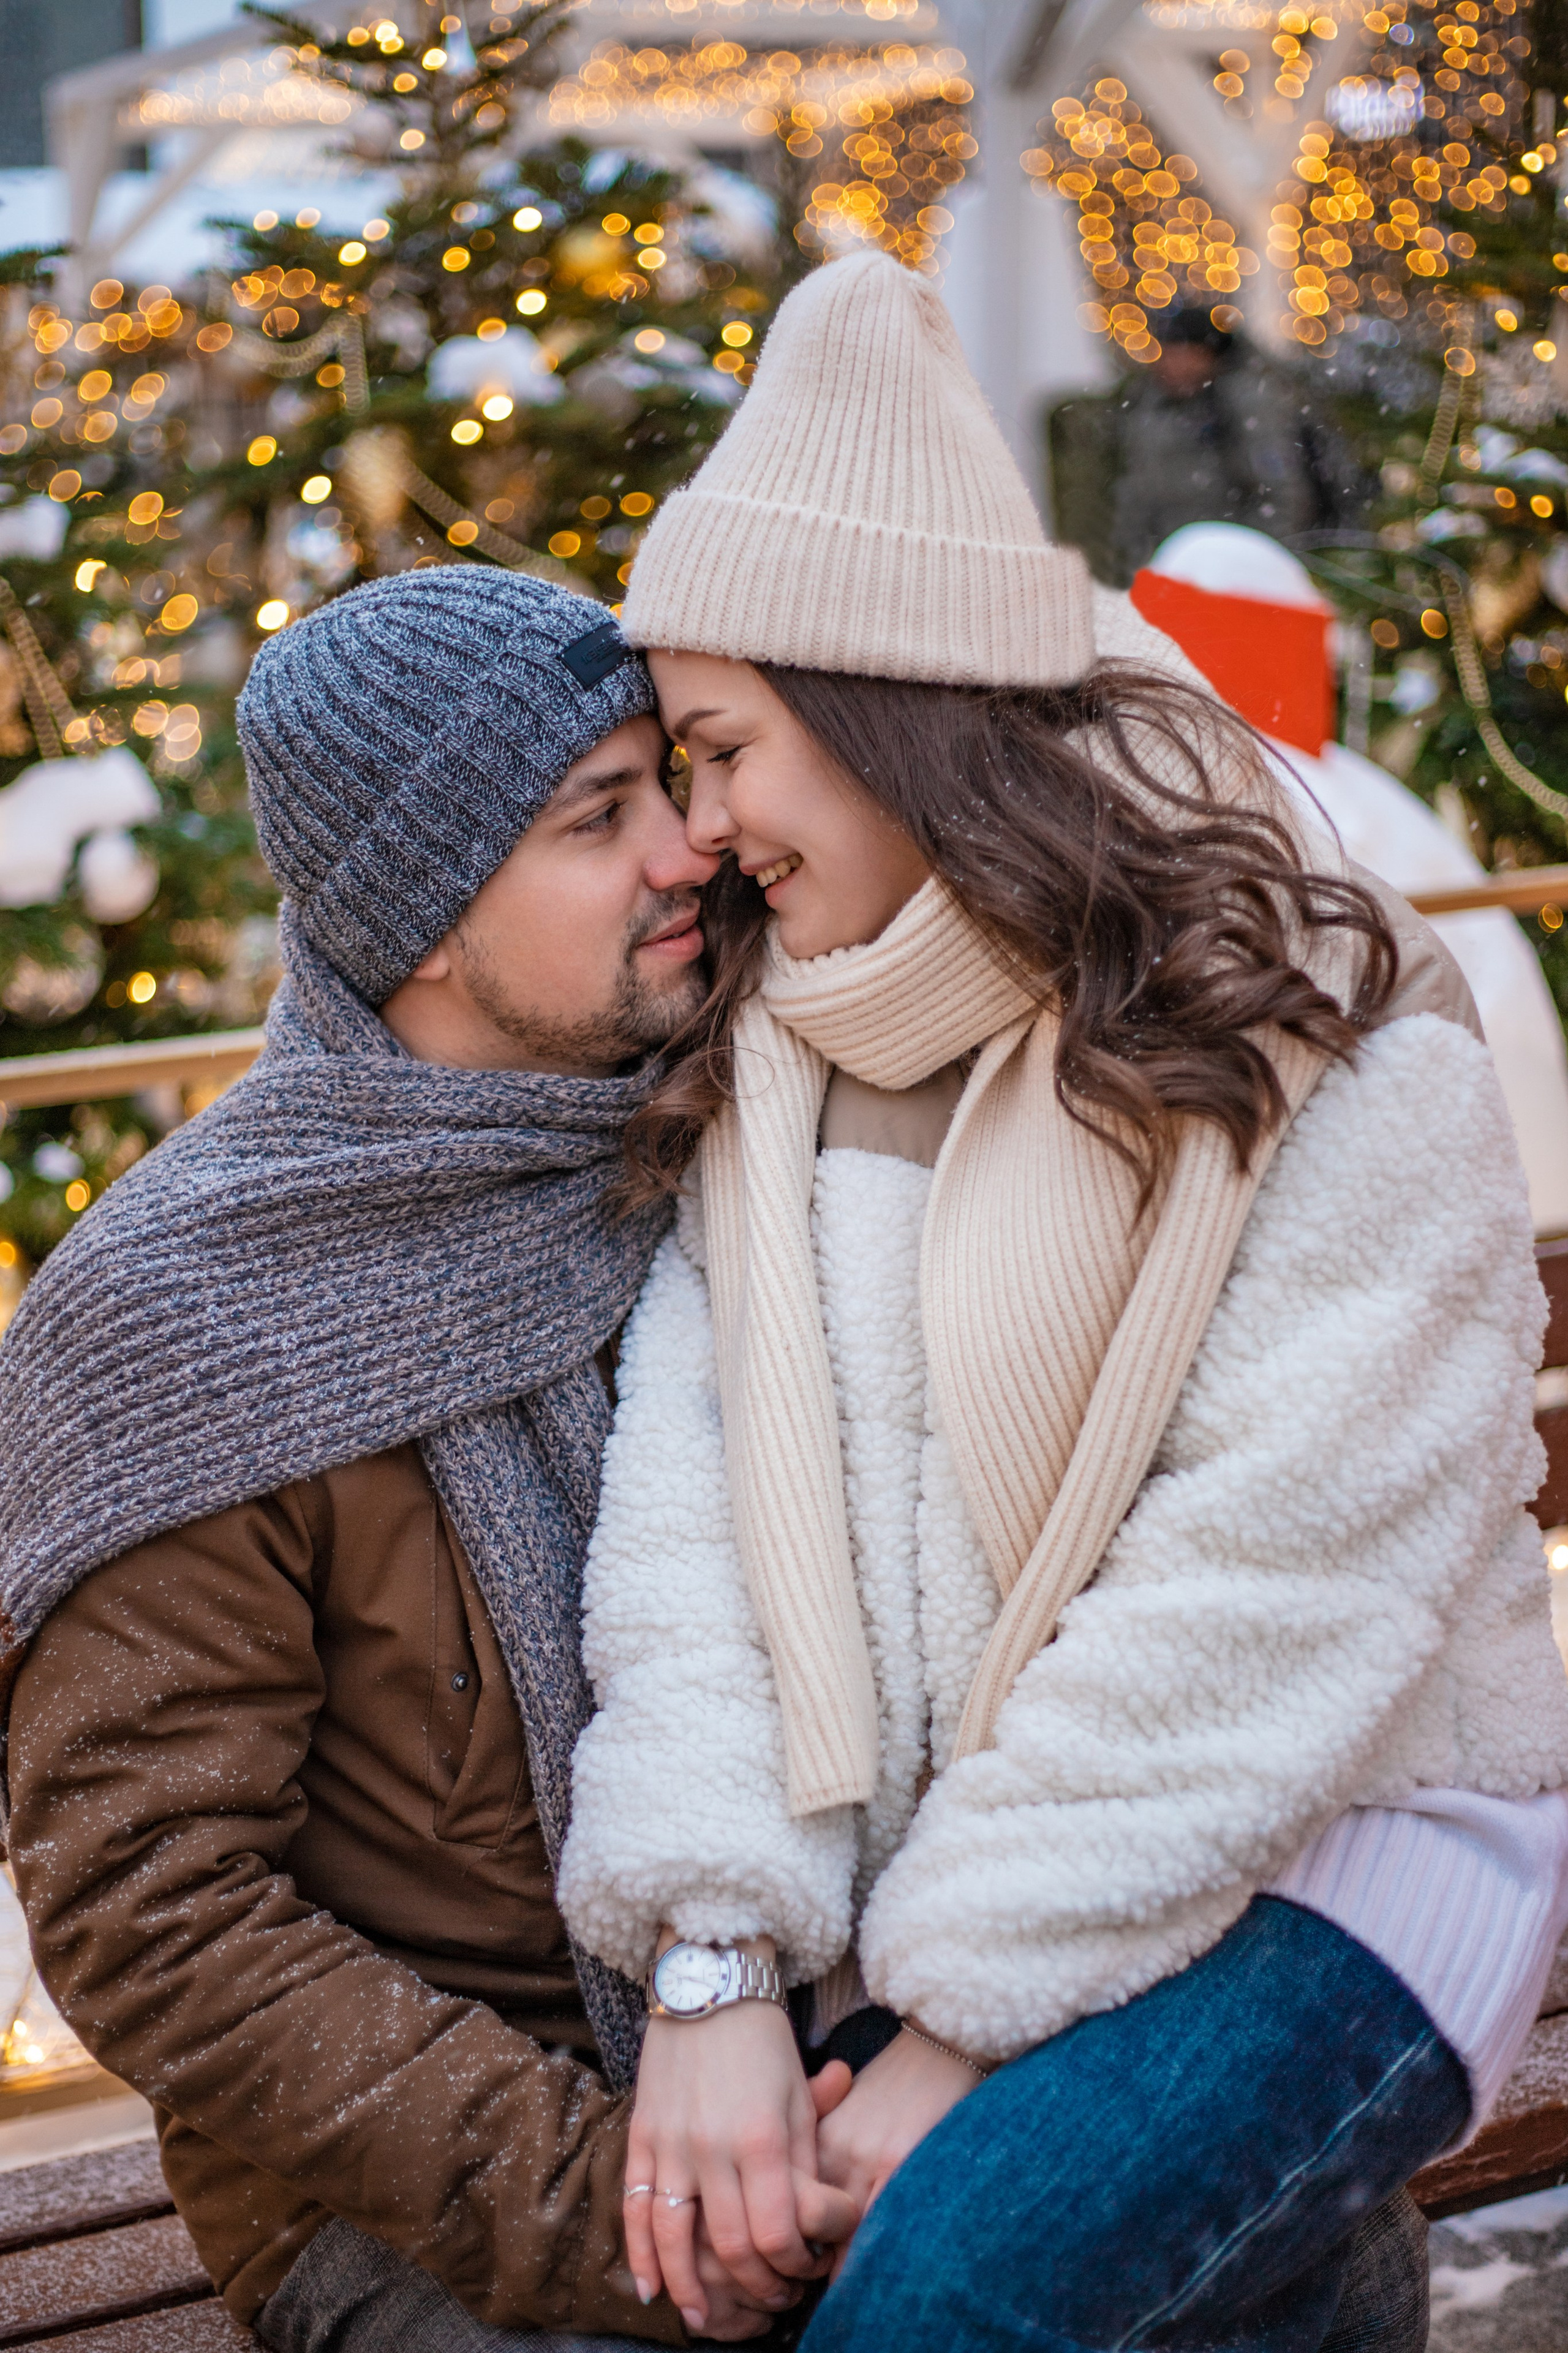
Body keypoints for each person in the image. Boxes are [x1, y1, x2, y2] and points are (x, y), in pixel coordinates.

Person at [556, 251, 1568, 2352]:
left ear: (881, 705)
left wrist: (953, 2026)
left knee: (950, 2298)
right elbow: (699, 1546)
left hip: (1335, 1857)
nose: (709, 830)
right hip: (1004, 1885)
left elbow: (1266, 1595)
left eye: (725, 748)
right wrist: (718, 1965)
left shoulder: (1316, 1030)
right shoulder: (780, 1061)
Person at [0, 567, 834, 2349]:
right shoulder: (191, 1311)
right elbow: (157, 1911)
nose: (686, 846)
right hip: (425, 2187)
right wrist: (594, 2194)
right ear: (426, 916)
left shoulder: (730, 1139)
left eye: (667, 784)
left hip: (807, 2037)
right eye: (595, 817)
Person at [1049, 306, 1369, 583]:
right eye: (1168, 352)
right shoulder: (1146, 404)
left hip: (1229, 573)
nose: (1173, 364)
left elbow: (1284, 497)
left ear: (1210, 355)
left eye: (1186, 353)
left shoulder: (1248, 405)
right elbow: (1136, 491)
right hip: (1172, 568)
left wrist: (1244, 563)